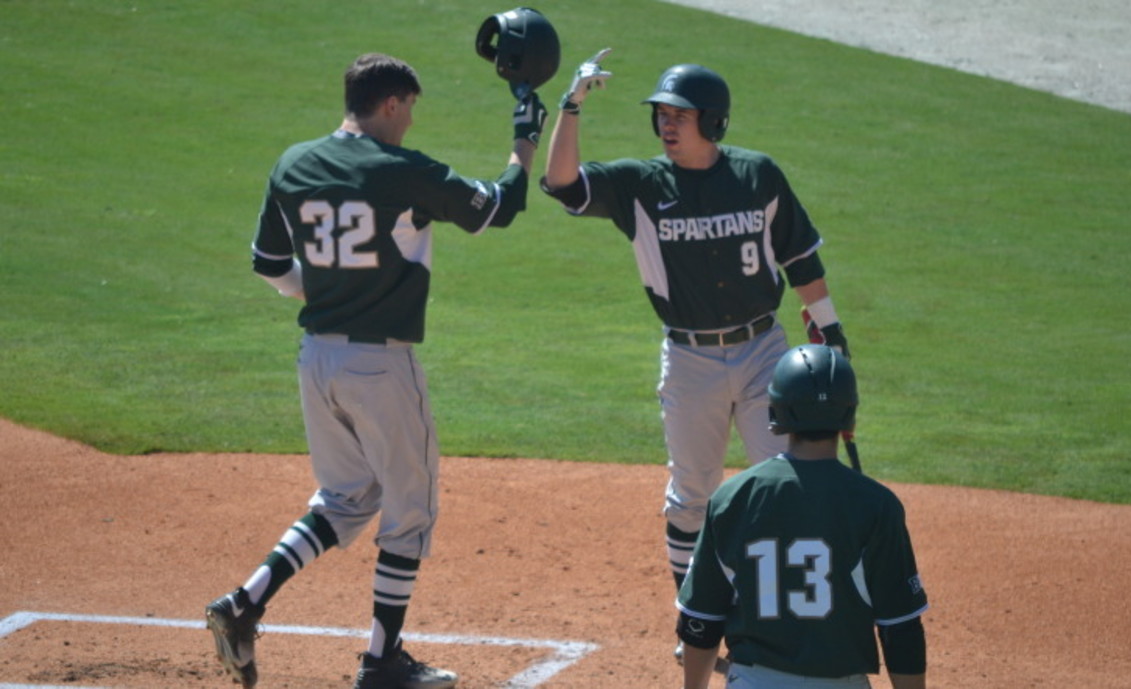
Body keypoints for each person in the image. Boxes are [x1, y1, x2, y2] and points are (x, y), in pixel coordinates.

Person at [203, 52, 547, 689]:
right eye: (410, 108)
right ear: (390, 103)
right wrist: (524, 142)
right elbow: (499, 207)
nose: (411, 122)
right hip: (381, 365)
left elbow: (269, 264)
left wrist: (333, 292)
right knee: (408, 513)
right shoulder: (401, 172)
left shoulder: (294, 163)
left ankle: (244, 603)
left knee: (346, 500)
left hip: (318, 362)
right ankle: (382, 660)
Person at [540, 49, 852, 655]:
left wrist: (831, 332)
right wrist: (571, 104)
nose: (666, 122)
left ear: (714, 120)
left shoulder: (758, 175)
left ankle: (784, 616)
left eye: (680, 113)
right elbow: (561, 183)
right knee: (693, 493)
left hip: (765, 351)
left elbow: (801, 259)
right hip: (688, 359)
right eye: (661, 112)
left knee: (788, 481)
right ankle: (697, 619)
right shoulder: (639, 185)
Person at [675, 344, 929, 689]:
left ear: (776, 410)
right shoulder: (877, 504)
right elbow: (901, 628)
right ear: (848, 415)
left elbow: (701, 621)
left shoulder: (733, 497)